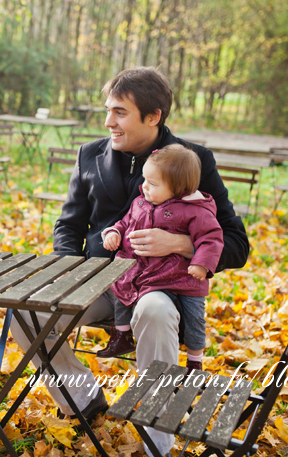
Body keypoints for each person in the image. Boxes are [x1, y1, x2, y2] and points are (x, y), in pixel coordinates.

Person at [9, 67, 249, 456]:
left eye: (120, 112)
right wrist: (73, 272)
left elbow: (237, 244)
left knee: (154, 311)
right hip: (100, 282)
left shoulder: (192, 161)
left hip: (162, 287)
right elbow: (68, 225)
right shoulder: (89, 154)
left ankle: (158, 442)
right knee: (21, 313)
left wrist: (180, 243)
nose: (109, 122)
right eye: (108, 110)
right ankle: (82, 397)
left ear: (153, 116)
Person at [96, 144, 224, 372]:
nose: (143, 186)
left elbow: (211, 239)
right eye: (145, 179)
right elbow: (124, 223)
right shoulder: (141, 203)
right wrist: (113, 232)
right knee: (121, 287)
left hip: (181, 280)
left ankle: (195, 360)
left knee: (195, 320)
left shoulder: (196, 210)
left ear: (179, 189)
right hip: (139, 274)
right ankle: (121, 335)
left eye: (152, 184)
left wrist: (201, 263)